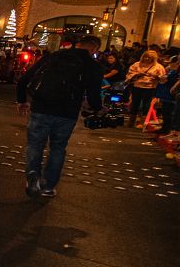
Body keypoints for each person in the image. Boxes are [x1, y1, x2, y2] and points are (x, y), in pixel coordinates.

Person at [16, 34, 104, 198]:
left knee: (35, 144)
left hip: (41, 107)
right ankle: (48, 185)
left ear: (78, 44)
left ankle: (33, 175)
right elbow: (93, 96)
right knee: (58, 147)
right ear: (94, 48)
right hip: (67, 112)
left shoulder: (53, 56)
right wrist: (97, 108)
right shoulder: (92, 66)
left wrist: (22, 101)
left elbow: (24, 79)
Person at [124, 49, 167, 128]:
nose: (147, 59)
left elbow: (163, 79)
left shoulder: (158, 67)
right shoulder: (137, 64)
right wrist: (137, 74)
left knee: (146, 105)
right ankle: (131, 122)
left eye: (149, 57)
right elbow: (129, 74)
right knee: (135, 104)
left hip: (150, 87)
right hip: (137, 86)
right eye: (146, 57)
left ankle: (143, 123)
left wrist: (156, 77)